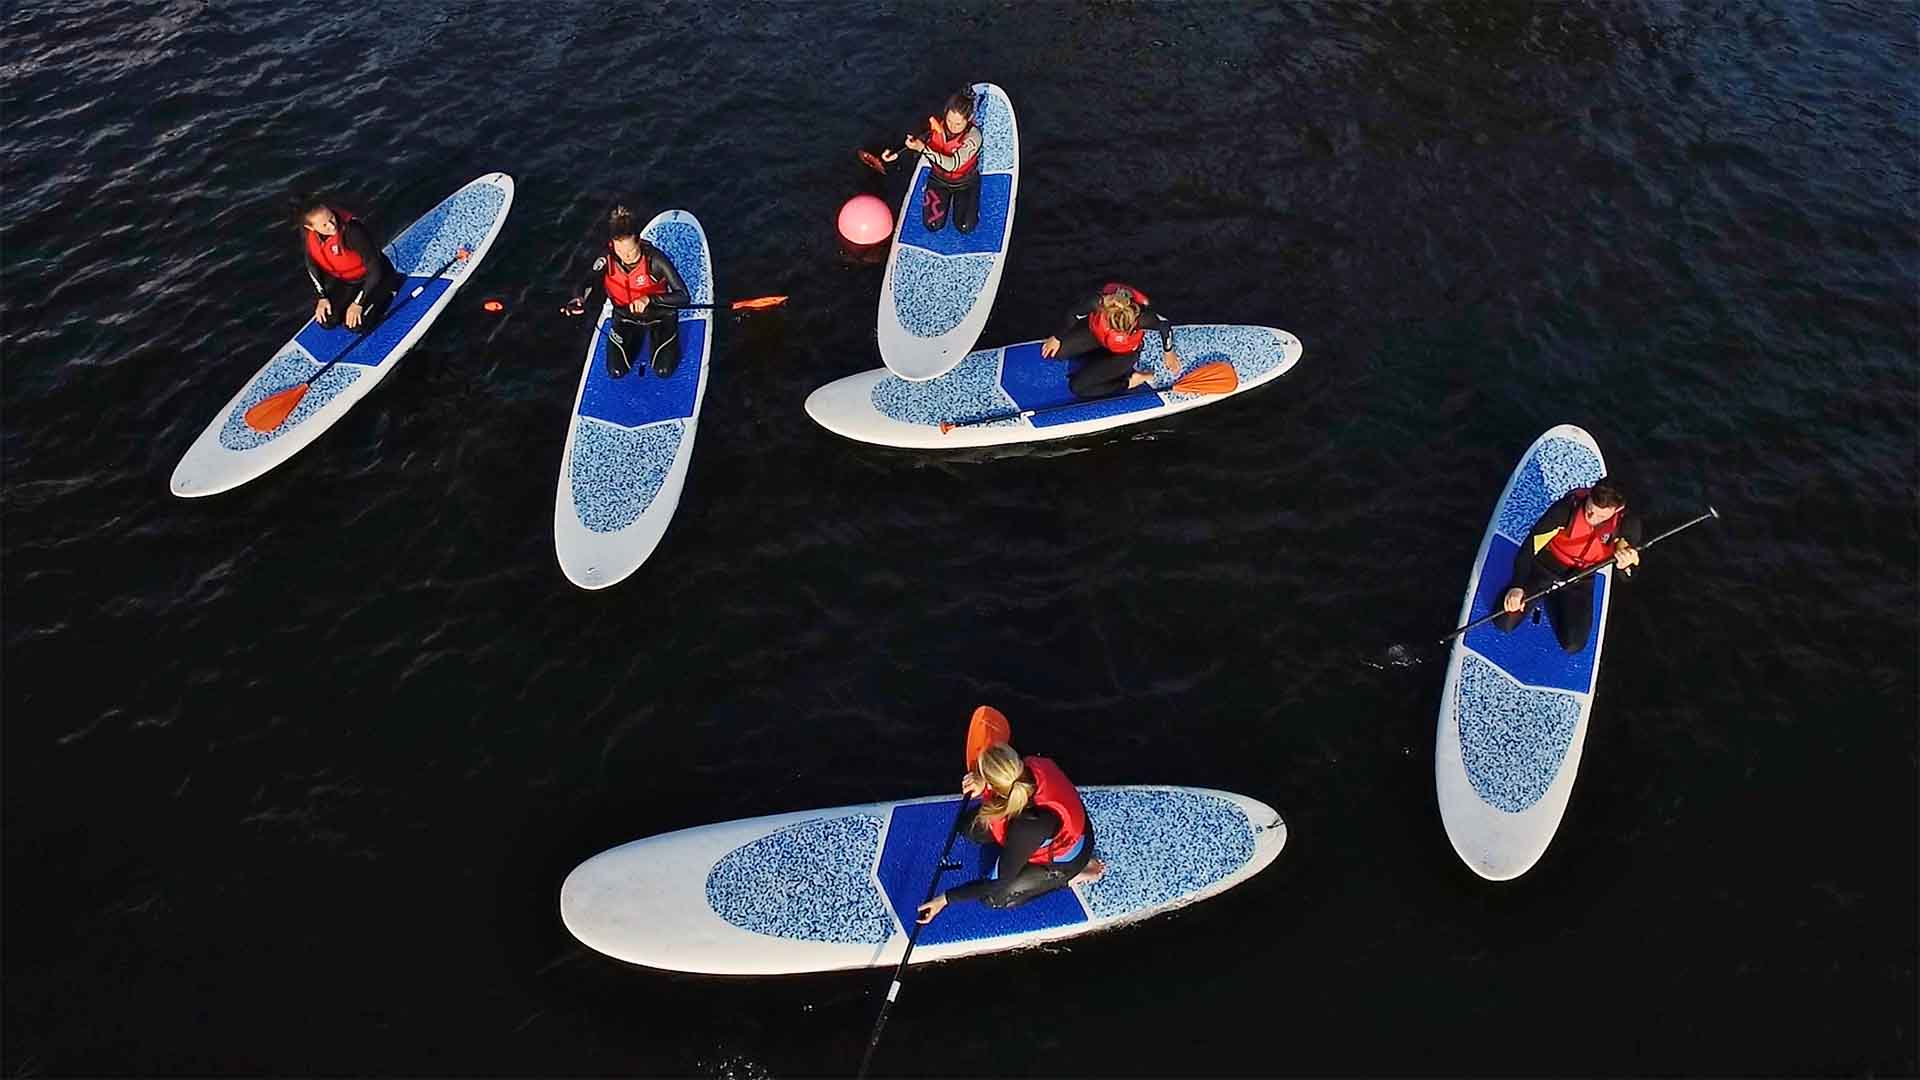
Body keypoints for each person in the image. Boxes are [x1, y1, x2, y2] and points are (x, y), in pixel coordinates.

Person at [916, 743, 1104, 925]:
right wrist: (982, 783)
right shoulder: (1028, 763)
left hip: (1067, 858)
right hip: (1033, 820)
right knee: (968, 828)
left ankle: (1071, 877)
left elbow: (998, 882)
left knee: (994, 899)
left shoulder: (1028, 826)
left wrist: (944, 899)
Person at [1494, 477, 1644, 654]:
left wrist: (1624, 566)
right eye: (1589, 510)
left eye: (1601, 516)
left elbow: (1629, 575)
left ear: (1617, 510)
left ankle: (1553, 597)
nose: (1592, 518)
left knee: (1573, 646)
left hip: (1581, 577)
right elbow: (1529, 548)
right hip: (1546, 566)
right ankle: (1540, 592)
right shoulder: (1564, 510)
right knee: (1503, 622)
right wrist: (1517, 585)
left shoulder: (1628, 525)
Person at [560, 206, 692, 379]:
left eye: (630, 251)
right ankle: (636, 339)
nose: (625, 256)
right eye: (620, 251)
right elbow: (586, 281)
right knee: (615, 372)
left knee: (663, 372)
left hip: (660, 316)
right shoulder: (607, 258)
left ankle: (660, 341)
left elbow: (683, 296)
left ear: (638, 241)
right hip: (625, 317)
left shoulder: (656, 260)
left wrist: (648, 299)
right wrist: (578, 298)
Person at [1040, 283, 1185, 399]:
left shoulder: (1143, 318)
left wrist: (1169, 352)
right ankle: (1097, 360)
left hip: (1124, 354)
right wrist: (1057, 338)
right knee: (1057, 352)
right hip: (1097, 337)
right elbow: (1073, 314)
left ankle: (1131, 381)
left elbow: (1164, 325)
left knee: (1078, 387)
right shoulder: (1096, 303)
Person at [881, 87, 982, 234]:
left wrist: (923, 149)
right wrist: (895, 153)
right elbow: (913, 137)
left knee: (965, 227)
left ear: (969, 119)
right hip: (938, 181)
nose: (952, 127)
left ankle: (972, 204)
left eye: (958, 124)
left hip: (965, 183)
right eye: (949, 121)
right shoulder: (933, 124)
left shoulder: (974, 137)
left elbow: (952, 165)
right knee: (932, 224)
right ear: (945, 114)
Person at [301, 200, 400, 332]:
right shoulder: (309, 236)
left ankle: (391, 288)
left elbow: (375, 269)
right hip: (349, 282)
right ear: (311, 228)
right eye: (324, 225)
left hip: (377, 277)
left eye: (331, 218)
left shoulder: (352, 231)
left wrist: (357, 303)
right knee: (327, 320)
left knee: (356, 326)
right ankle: (358, 304)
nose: (332, 226)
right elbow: (311, 265)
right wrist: (322, 297)